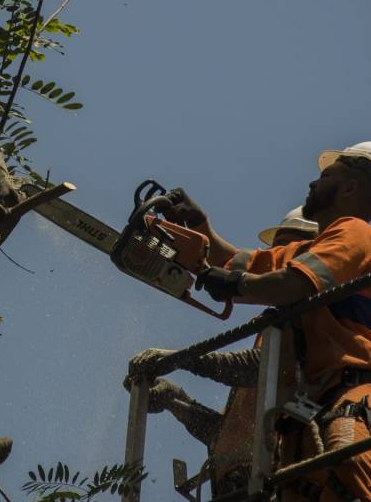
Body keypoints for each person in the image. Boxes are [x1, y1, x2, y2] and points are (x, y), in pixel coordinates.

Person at [139, 141, 371, 502]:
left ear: (349, 187)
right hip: (310, 406)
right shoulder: (305, 251)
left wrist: (233, 285)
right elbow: (236, 261)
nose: (313, 183)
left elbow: (291, 285)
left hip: (351, 392)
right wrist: (199, 226)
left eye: (326, 176)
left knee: (345, 453)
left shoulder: (357, 233)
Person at [123, 208, 319, 495]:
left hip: (282, 478)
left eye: (286, 250)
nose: (276, 258)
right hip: (239, 484)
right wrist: (175, 400)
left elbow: (254, 368)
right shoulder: (272, 327)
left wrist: (179, 359)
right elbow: (228, 436)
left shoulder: (316, 318)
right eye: (275, 250)